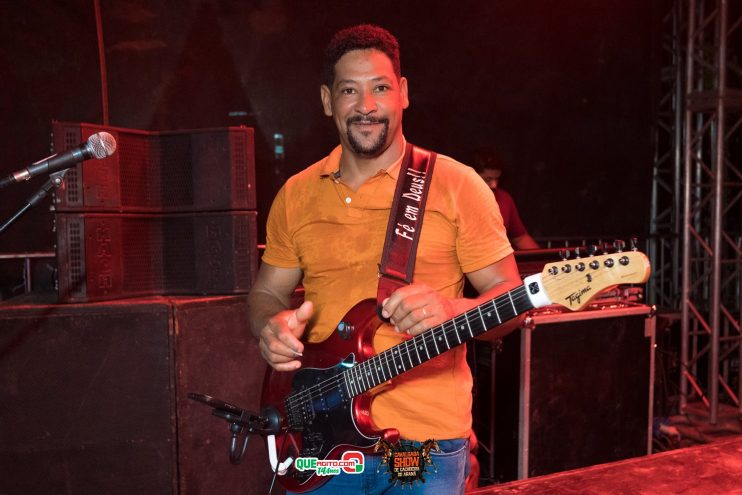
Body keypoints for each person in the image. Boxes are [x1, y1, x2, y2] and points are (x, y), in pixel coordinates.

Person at [247, 24, 523, 494]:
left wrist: (452, 310)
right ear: (327, 100)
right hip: (325, 447)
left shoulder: (457, 186)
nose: (367, 106)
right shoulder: (296, 194)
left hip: (420, 450)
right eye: (349, 91)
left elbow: (510, 300)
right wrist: (269, 325)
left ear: (403, 93)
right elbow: (266, 292)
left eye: (380, 88)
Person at [472, 149, 539, 250]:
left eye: (497, 178)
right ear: (472, 176)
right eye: (488, 179)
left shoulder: (504, 199)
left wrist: (543, 261)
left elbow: (520, 238)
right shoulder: (457, 200)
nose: (494, 185)